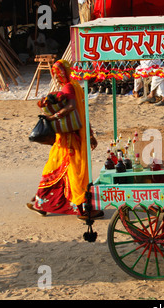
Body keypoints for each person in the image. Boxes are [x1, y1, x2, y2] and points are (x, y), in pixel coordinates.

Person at [26, 59, 102, 220]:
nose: (57, 77)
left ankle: (75, 207)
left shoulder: (68, 87)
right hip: (70, 136)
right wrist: (90, 133)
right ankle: (45, 203)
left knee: (69, 171)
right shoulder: (76, 87)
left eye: (58, 74)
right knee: (64, 170)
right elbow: (83, 113)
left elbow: (72, 107)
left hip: (69, 139)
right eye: (56, 74)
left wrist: (53, 116)